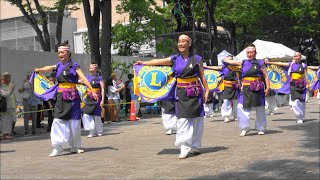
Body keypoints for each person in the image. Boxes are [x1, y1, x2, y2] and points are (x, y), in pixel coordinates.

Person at [135, 34, 209, 159]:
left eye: (183, 41)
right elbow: (158, 62)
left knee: (197, 119)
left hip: (196, 93)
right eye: (179, 42)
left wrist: (207, 90)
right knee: (183, 119)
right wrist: (144, 63)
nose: (180, 44)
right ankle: (184, 145)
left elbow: (202, 76)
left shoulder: (197, 59)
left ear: (189, 44)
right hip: (181, 93)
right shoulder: (175, 58)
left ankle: (195, 146)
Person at [34, 41, 98, 157]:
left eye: (62, 52)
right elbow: (49, 67)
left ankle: (75, 146)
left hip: (73, 96)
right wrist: (39, 70)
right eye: (59, 53)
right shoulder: (58, 65)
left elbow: (83, 78)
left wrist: (92, 91)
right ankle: (57, 147)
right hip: (61, 96)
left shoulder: (74, 65)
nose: (60, 55)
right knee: (58, 119)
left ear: (68, 53)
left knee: (74, 121)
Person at [224, 44, 270, 136]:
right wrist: (227, 58)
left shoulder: (260, 63)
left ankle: (260, 128)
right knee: (241, 107)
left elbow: (265, 76)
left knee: (260, 108)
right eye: (248, 52)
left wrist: (268, 87)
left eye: (251, 52)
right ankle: (245, 127)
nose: (249, 54)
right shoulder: (242, 62)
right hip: (245, 88)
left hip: (258, 87)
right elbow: (226, 61)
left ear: (255, 53)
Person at [266, 52, 308, 124]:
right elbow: (280, 64)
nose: (296, 57)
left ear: (300, 57)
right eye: (295, 56)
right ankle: (298, 116)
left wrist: (307, 85)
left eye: (297, 56)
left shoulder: (304, 65)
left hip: (301, 85)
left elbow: (306, 76)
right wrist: (270, 62)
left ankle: (301, 117)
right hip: (293, 85)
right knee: (295, 102)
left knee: (302, 102)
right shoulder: (291, 64)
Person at [205, 55, 241, 122]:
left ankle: (236, 115)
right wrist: (206, 66)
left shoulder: (236, 67)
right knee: (226, 101)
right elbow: (215, 68)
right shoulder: (224, 67)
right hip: (226, 86)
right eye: (228, 59)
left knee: (235, 101)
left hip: (235, 86)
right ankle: (226, 116)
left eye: (231, 59)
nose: (229, 61)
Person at [82, 64, 104, 138]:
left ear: (96, 69)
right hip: (88, 98)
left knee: (97, 115)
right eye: (90, 68)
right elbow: (80, 81)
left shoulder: (99, 78)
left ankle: (99, 131)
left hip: (96, 98)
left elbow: (103, 89)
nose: (90, 69)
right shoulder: (87, 78)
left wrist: (102, 100)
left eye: (92, 68)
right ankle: (91, 131)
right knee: (87, 114)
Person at [18, 72, 41, 136]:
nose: (29, 77)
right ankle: (27, 131)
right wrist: (24, 87)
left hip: (34, 99)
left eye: (30, 75)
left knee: (34, 115)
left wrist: (32, 83)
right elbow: (19, 90)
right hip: (26, 99)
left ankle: (34, 130)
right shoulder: (24, 82)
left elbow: (38, 89)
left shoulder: (36, 81)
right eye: (28, 75)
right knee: (26, 115)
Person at [1, 72, 17, 137]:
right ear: (4, 78)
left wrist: (12, 88)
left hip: (11, 104)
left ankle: (8, 132)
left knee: (11, 120)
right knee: (5, 120)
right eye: (8, 77)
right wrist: (11, 88)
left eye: (10, 77)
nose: (9, 78)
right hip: (5, 106)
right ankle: (5, 134)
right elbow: (5, 94)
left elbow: (10, 94)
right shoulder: (2, 86)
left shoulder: (10, 84)